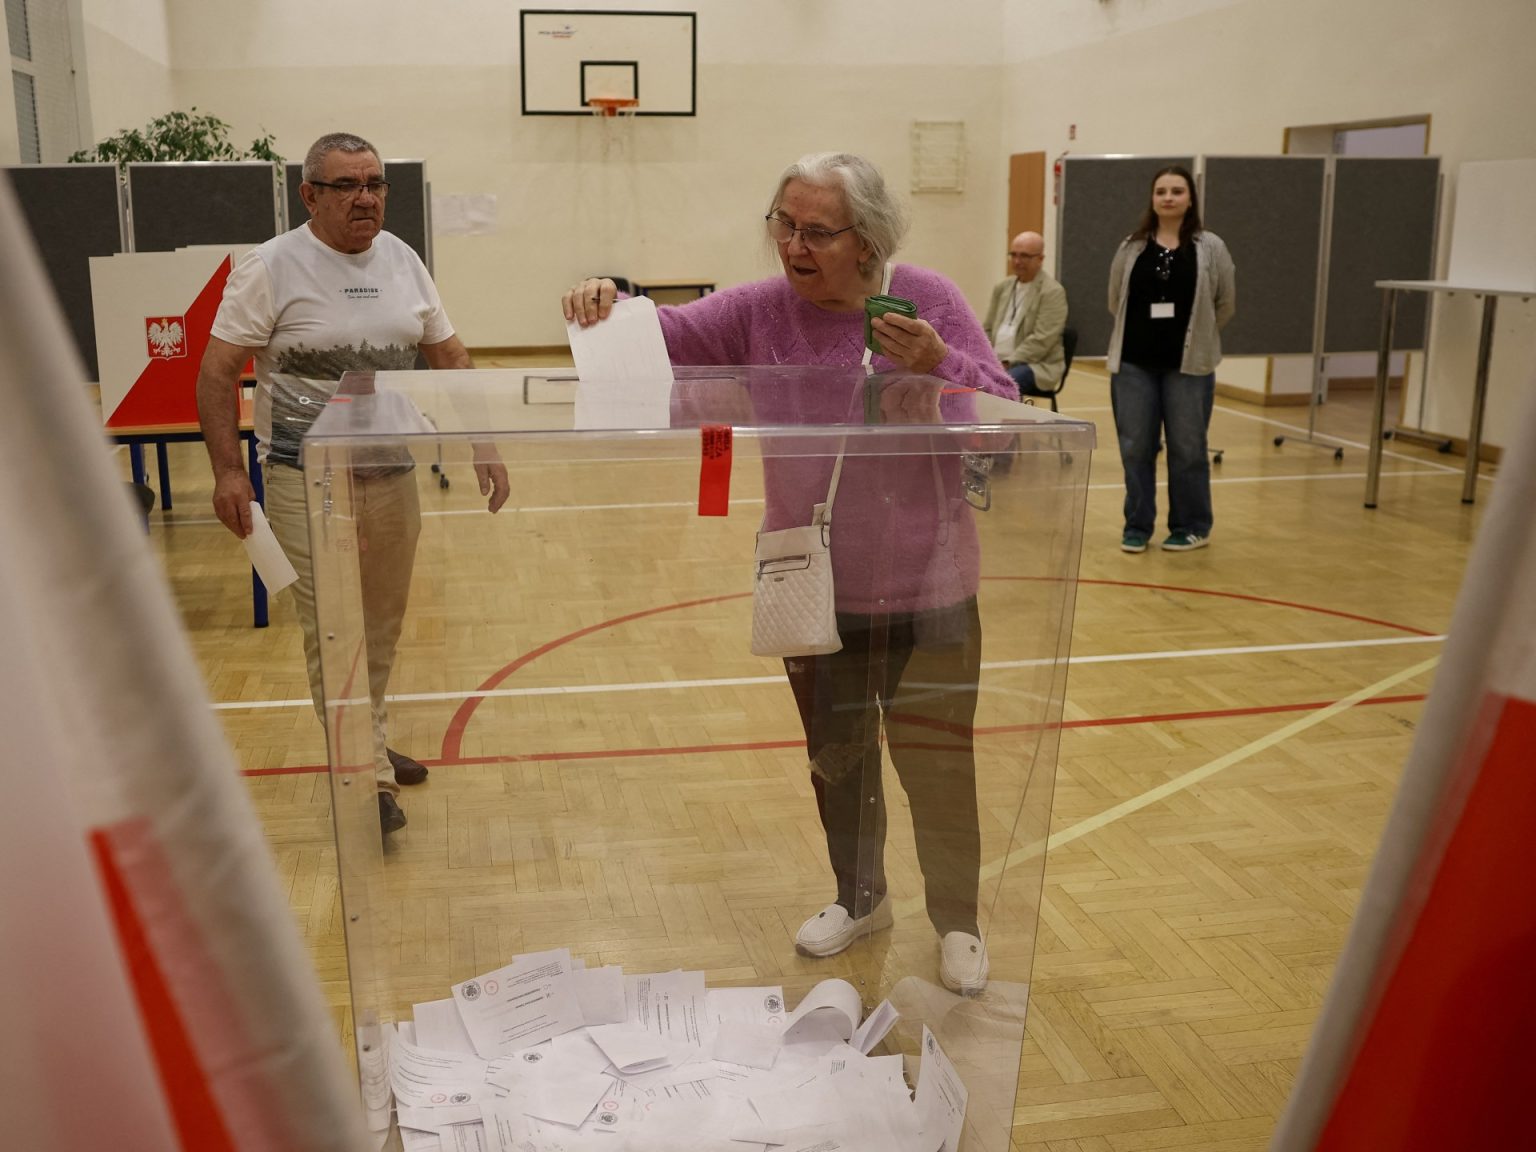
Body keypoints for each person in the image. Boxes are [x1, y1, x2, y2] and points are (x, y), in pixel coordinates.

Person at [563, 152, 1017, 994]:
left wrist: (939, 364)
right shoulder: (758, 310)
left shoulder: (929, 300)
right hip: (816, 587)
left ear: (867, 239)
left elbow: (1004, 417)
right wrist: (605, 300)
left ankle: (958, 920)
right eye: (784, 225)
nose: (793, 247)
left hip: (933, 585)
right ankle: (860, 897)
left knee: (938, 766)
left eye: (816, 232)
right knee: (837, 759)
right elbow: (657, 335)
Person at [196, 131, 509, 835]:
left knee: (381, 626)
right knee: (334, 630)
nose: (366, 198)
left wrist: (484, 442)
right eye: (348, 185)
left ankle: (368, 738)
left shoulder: (403, 259)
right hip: (304, 480)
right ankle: (367, 779)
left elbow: (450, 357)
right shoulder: (269, 267)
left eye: (375, 183)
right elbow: (216, 372)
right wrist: (227, 472)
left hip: (391, 471)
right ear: (309, 195)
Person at [1106, 165, 1235, 554]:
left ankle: (1191, 525)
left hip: (1188, 368)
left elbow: (1224, 303)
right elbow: (1115, 299)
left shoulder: (1210, 247)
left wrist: (1198, 338)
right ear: (1152, 198)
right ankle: (1137, 525)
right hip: (1133, 365)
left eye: (1177, 191)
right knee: (1135, 448)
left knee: (1188, 449)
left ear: (1190, 198)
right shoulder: (1132, 246)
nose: (1168, 197)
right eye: (1161, 191)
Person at [982, 231, 1069, 401]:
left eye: (1024, 256)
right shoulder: (1002, 287)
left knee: (1003, 383)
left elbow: (1042, 340)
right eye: (1013, 255)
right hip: (997, 359)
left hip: (1035, 364)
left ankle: (1007, 419)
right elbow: (987, 329)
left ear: (1040, 259)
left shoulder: (1052, 292)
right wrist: (983, 357)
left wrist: (1007, 363)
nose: (1017, 261)